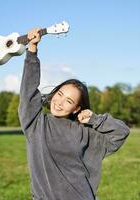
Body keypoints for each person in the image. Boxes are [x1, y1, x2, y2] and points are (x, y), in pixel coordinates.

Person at [18, 28, 130, 200]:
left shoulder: (85, 133)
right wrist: (32, 50)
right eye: (60, 94)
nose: (60, 102)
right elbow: (28, 93)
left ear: (77, 108)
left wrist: (96, 120)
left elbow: (121, 132)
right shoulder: (36, 124)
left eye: (69, 101)